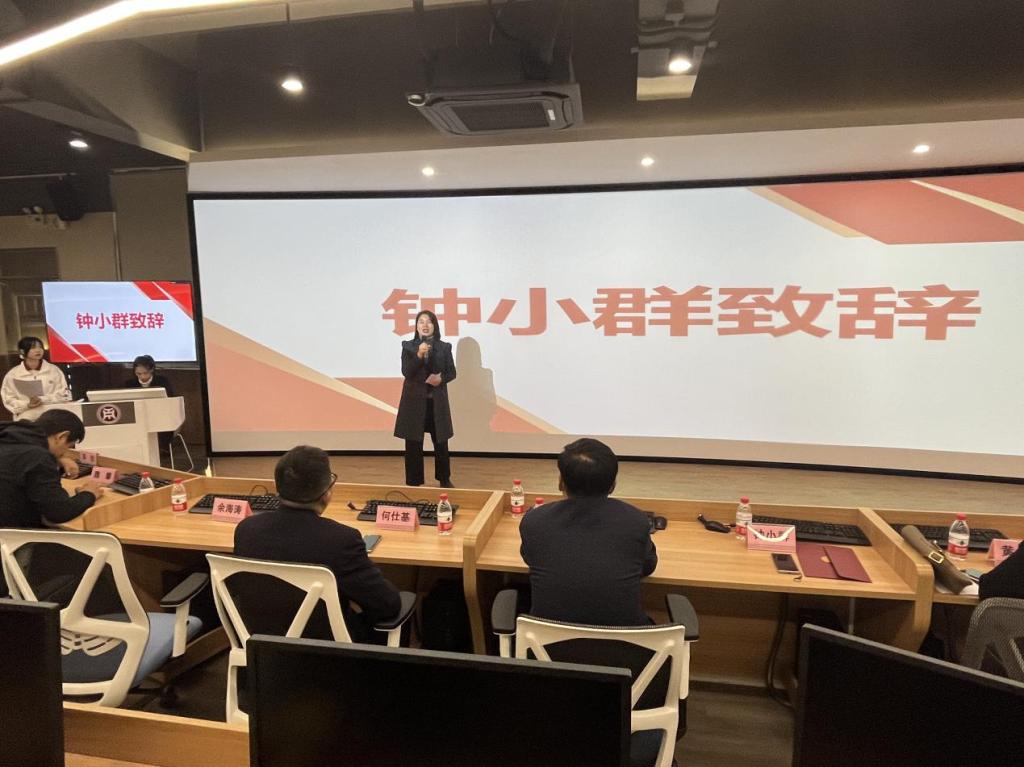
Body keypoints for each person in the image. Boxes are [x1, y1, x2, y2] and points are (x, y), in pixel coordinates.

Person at [233, 445, 402, 642]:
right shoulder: (342, 540)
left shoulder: (246, 530)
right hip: (326, 650)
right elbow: (387, 605)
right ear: (326, 492)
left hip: (261, 644)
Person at [519, 438, 658, 626]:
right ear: (613, 485)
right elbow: (648, 566)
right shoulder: (636, 521)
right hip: (623, 643)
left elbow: (530, 558)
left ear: (561, 483)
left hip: (549, 643)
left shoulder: (534, 522)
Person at [0, 409, 104, 529]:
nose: (65, 453)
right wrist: (89, 494)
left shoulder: (8, 437)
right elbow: (58, 512)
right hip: (14, 534)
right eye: (68, 447)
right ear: (61, 437)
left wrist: (56, 459)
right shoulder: (38, 457)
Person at [393, 310, 457, 487]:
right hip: (414, 403)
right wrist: (419, 355)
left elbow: (452, 372)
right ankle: (413, 481)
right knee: (413, 443)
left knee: (441, 442)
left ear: (434, 326)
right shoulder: (408, 347)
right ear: (416, 326)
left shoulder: (444, 347)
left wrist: (441, 379)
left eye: (429, 321)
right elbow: (407, 372)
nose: (425, 325)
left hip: (436, 403)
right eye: (421, 322)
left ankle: (444, 478)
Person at [1, 336, 72, 421]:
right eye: (33, 347)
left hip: (51, 415)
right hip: (25, 415)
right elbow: (8, 398)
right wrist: (27, 404)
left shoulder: (53, 370)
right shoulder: (13, 374)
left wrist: (43, 399)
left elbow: (64, 395)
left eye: (40, 347)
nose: (38, 350)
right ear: (22, 351)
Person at [125, 354, 174, 452]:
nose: (142, 376)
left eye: (145, 373)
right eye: (138, 373)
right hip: (138, 416)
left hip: (159, 415)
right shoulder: (129, 384)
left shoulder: (162, 381)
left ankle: (162, 448)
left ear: (152, 370)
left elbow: (170, 400)